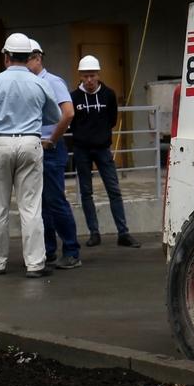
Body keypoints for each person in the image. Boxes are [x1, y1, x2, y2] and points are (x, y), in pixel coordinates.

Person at [0, 33, 59, 277]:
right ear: (29, 57)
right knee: (31, 208)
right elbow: (55, 116)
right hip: (30, 141)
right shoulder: (40, 82)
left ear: (6, 56)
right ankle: (35, 264)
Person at [70, 56, 140, 248]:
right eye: (85, 76)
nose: (89, 80)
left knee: (114, 190)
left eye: (92, 76)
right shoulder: (74, 97)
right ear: (81, 76)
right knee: (86, 192)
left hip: (102, 148)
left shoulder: (108, 95)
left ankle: (123, 232)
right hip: (82, 149)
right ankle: (94, 232)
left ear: (98, 75)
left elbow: (112, 120)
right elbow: (72, 122)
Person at [26, 40, 81, 270]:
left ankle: (71, 250)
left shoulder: (52, 82)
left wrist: (53, 139)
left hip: (49, 147)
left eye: (25, 58)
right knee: (41, 203)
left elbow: (68, 113)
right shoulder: (29, 83)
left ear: (38, 58)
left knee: (55, 201)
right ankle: (48, 250)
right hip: (36, 146)